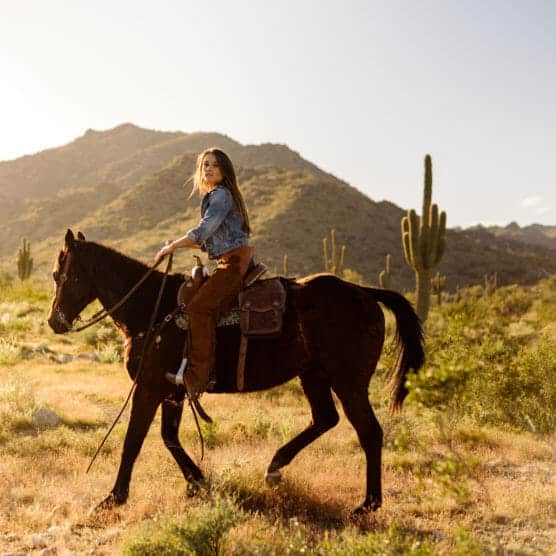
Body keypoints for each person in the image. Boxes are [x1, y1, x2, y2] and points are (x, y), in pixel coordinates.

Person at [155, 148, 252, 398]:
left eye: (214, 165)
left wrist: (173, 246)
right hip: (226, 261)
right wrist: (176, 244)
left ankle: (197, 377)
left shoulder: (220, 196)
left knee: (199, 309)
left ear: (224, 170)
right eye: (205, 165)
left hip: (233, 265)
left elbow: (203, 230)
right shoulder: (218, 196)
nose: (208, 169)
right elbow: (208, 240)